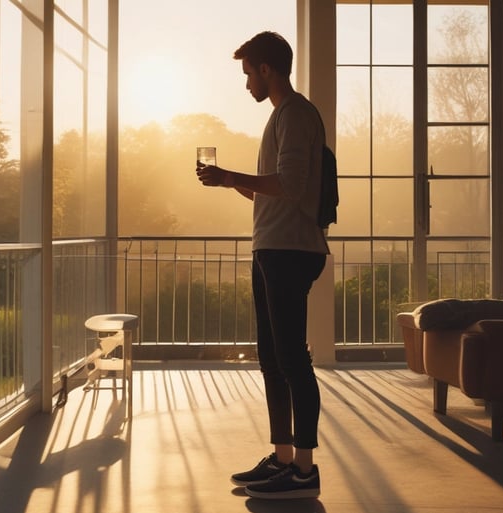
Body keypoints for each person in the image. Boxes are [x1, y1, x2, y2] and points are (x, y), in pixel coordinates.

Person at [196, 31, 329, 500]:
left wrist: (233, 175)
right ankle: (284, 457)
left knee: (292, 358)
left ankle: (305, 471)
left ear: (266, 69)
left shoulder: (295, 115)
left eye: (248, 72)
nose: (246, 82)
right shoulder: (282, 118)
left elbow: (291, 186)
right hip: (272, 246)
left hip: (289, 250)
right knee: (273, 357)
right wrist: (229, 182)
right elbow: (272, 191)